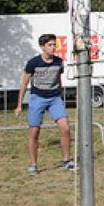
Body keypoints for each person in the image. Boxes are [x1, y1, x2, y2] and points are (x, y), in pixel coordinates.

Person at [14, 34, 74, 174]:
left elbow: (58, 80)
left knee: (65, 128)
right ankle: (34, 165)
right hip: (37, 98)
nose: (53, 48)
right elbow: (24, 84)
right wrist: (19, 105)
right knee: (34, 132)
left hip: (54, 98)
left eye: (54, 45)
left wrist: (60, 95)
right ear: (42, 47)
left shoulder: (59, 62)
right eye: (50, 45)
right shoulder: (33, 63)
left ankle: (66, 160)